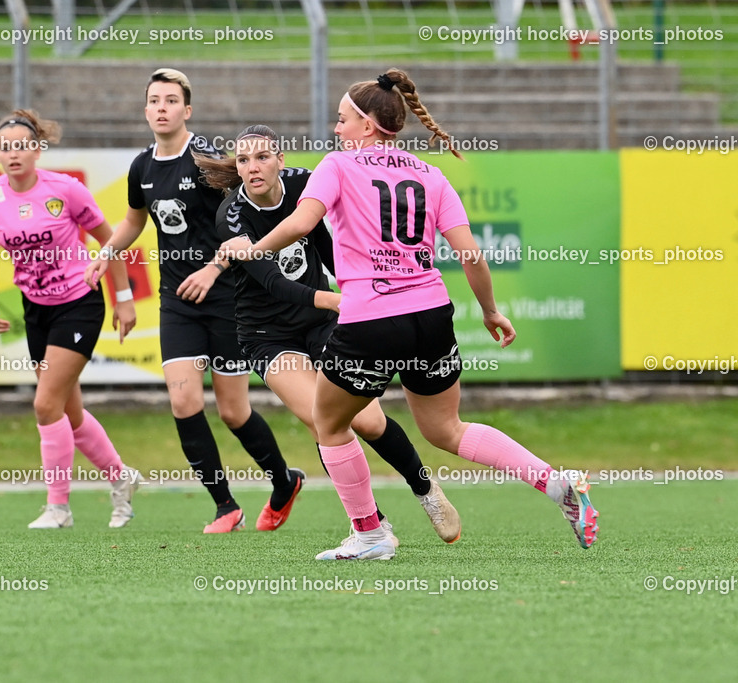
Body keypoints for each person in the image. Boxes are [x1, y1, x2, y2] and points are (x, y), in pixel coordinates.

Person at [220, 69, 600, 560]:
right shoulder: (431, 174)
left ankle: (371, 535)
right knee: (447, 429)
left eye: (342, 120)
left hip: (371, 320)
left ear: (368, 125)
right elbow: (471, 256)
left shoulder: (337, 166)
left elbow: (299, 223)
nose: (335, 131)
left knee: (330, 424)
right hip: (432, 315)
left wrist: (253, 250)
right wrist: (490, 311)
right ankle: (556, 483)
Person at [195, 124, 460, 545]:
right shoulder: (230, 214)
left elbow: (324, 243)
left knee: (370, 420)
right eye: (243, 160)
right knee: (325, 422)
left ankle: (425, 489)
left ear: (281, 159)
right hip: (267, 334)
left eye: (262, 157)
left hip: (320, 324)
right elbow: (273, 283)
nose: (252, 167)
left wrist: (356, 288)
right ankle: (371, 526)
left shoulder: (305, 183)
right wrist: (339, 300)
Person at [84, 68, 304, 533]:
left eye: (170, 100)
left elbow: (241, 221)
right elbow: (133, 221)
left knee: (232, 410)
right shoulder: (142, 167)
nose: (161, 108)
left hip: (227, 298)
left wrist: (216, 268)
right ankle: (225, 506)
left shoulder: (208, 161)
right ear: (145, 110)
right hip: (177, 302)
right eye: (153, 100)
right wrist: (106, 253)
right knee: (183, 402)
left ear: (188, 110)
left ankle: (284, 481)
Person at [0, 109, 142, 530]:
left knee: (45, 404)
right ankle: (121, 478)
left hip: (79, 303)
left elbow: (110, 243)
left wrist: (123, 298)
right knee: (71, 413)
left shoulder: (65, 190)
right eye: (4, 148)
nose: (13, 154)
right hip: (36, 310)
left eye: (21, 146)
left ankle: (58, 508)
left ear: (37, 150)